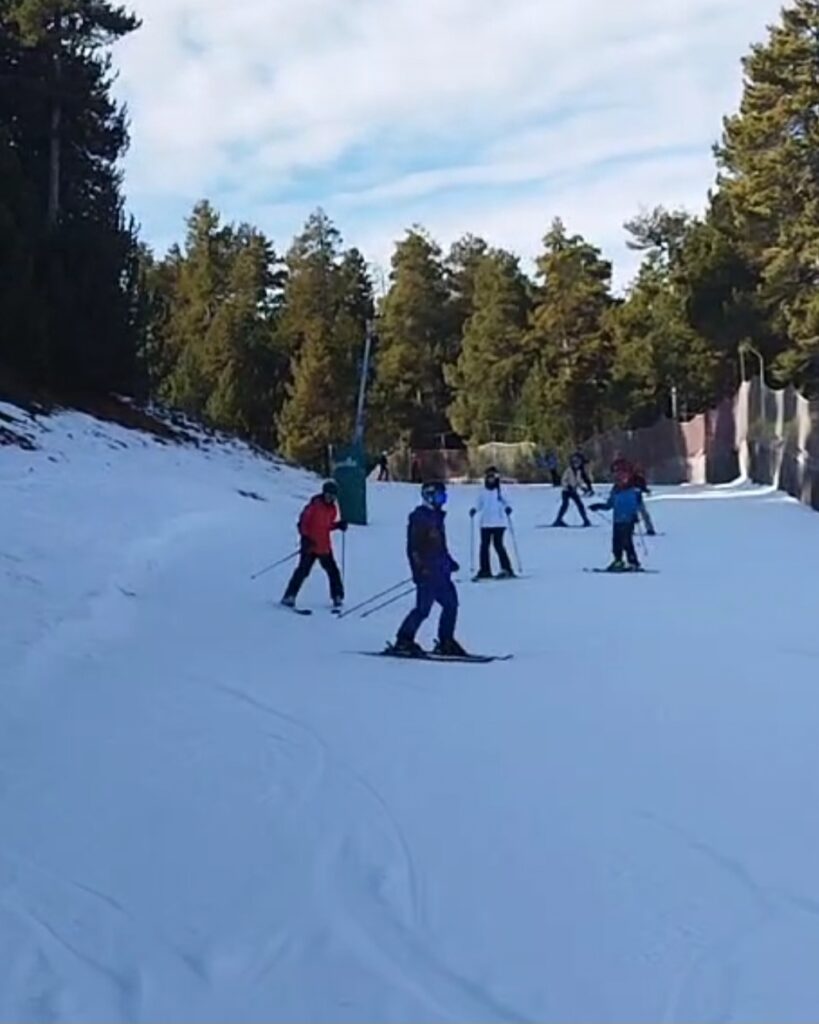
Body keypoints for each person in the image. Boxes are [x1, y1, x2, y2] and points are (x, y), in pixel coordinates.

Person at [392, 481, 467, 657]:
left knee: (451, 605)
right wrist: (419, 569)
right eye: (440, 497)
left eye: (444, 497)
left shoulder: (437, 517)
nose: (442, 501)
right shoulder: (419, 518)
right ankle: (404, 639)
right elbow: (413, 548)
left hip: (442, 572)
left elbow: (440, 546)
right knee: (423, 609)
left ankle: (446, 640)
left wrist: (449, 562)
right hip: (427, 574)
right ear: (428, 496)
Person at [281, 480, 348, 609]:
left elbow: (326, 526)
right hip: (310, 545)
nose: (331, 497)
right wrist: (305, 538)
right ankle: (289, 596)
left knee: (333, 571)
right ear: (324, 493)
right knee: (302, 571)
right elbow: (302, 523)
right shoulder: (314, 506)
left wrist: (338, 525)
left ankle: (337, 596)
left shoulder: (332, 509)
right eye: (329, 494)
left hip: (324, 547)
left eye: (333, 495)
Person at [589, 467, 644, 571]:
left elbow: (635, 505)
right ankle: (618, 560)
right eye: (618, 479)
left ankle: (633, 562)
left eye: (623, 478)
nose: (620, 481)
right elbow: (610, 504)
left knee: (627, 541)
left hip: (628, 520)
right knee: (616, 542)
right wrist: (598, 506)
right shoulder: (615, 490)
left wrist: (635, 515)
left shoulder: (632, 491)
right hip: (617, 520)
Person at [470, 466, 515, 579]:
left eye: (493, 477)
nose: (491, 479)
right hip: (485, 523)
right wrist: (474, 509)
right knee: (484, 546)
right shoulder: (483, 491)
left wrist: (508, 508)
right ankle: (485, 570)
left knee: (498, 545)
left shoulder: (501, 490)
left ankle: (506, 568)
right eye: (489, 477)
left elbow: (507, 502)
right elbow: (479, 503)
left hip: (499, 523)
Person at [553, 453, 592, 527]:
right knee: (565, 505)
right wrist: (567, 486)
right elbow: (563, 480)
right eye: (575, 463)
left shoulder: (578, 471)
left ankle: (586, 520)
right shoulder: (568, 470)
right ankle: (558, 520)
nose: (577, 465)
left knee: (580, 505)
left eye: (578, 463)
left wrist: (583, 488)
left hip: (573, 491)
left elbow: (578, 482)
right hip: (566, 491)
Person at [631, 463, 656, 536]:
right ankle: (630, 530)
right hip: (631, 501)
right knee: (632, 516)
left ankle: (650, 529)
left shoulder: (641, 479)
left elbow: (643, 488)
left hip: (639, 500)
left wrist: (647, 491)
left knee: (645, 515)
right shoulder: (630, 479)